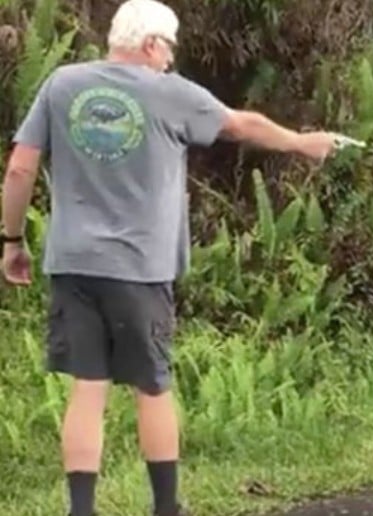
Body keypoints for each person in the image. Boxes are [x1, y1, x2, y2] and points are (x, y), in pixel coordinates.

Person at [0, 0, 346, 514]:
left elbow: (20, 170)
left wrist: (12, 241)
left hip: (73, 264)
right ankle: (166, 508)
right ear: (151, 44)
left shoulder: (62, 84)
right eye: (170, 49)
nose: (170, 59)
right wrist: (300, 142)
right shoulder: (170, 93)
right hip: (141, 270)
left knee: (87, 390)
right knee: (152, 386)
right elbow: (240, 124)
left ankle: (81, 510)